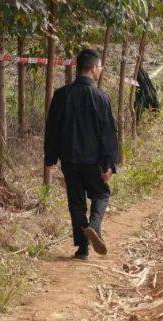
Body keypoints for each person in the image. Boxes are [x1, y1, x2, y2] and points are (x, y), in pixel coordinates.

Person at [44, 48, 119, 260]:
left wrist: (50, 158)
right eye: (100, 66)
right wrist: (109, 163)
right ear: (94, 68)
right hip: (92, 160)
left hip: (69, 159)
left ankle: (83, 248)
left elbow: (52, 129)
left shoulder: (61, 95)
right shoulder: (101, 97)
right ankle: (94, 226)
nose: (101, 70)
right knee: (101, 194)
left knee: (75, 202)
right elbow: (108, 134)